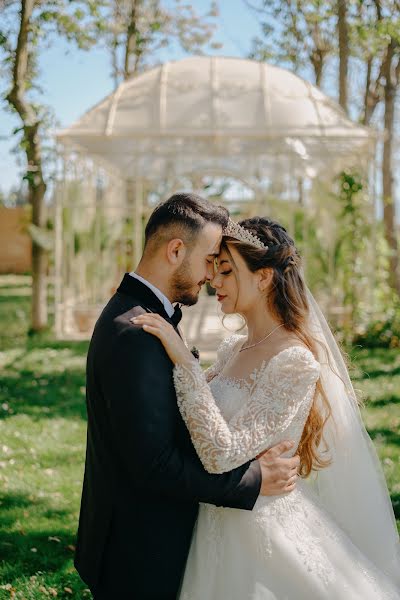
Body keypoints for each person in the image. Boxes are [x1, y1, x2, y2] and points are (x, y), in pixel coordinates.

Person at [134, 216, 400, 599]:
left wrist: (185, 363)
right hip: (213, 525)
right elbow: (191, 417)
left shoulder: (294, 361)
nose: (214, 281)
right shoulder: (233, 349)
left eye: (226, 270)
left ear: (263, 278)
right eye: (213, 268)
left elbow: (220, 453)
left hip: (261, 533)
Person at [74, 195, 301, 600]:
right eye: (211, 258)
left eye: (223, 265)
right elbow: (154, 466)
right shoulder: (136, 333)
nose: (212, 275)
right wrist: (253, 482)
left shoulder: (143, 316)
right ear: (176, 250)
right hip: (139, 551)